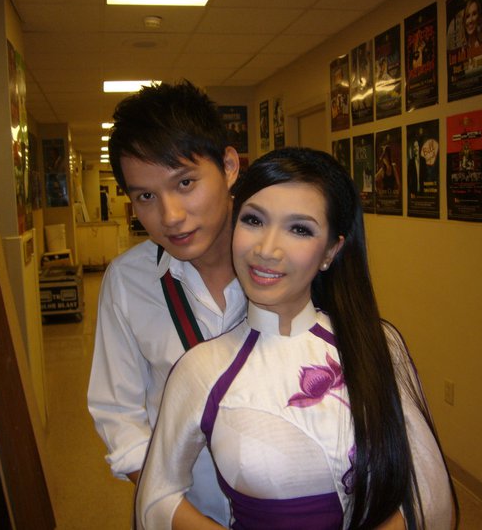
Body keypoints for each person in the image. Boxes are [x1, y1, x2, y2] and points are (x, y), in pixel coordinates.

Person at [136, 147, 456, 529]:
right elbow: (156, 499)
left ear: (331, 250)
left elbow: (431, 495)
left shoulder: (377, 345)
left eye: (300, 229)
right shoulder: (201, 370)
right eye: (253, 220)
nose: (266, 250)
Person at [87, 80, 246, 527]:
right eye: (146, 196)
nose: (170, 216)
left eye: (185, 182)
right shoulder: (128, 281)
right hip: (180, 514)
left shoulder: (289, 264)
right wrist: (182, 516)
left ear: (229, 166)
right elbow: (119, 416)